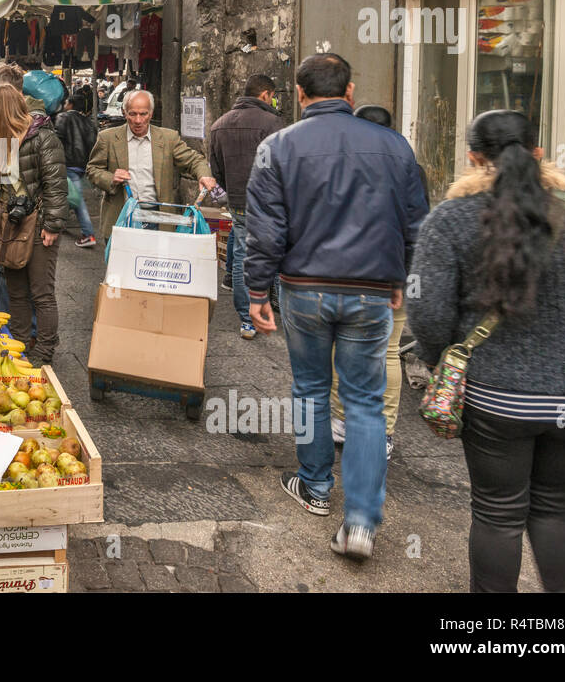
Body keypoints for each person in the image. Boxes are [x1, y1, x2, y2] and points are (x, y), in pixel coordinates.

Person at [407, 110, 565, 591]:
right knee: (555, 507)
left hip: (498, 397)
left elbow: (429, 315)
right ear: (540, 153)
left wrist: (443, 360)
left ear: (473, 159)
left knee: (499, 514)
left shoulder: (451, 220)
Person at [244, 53, 428, 561]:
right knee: (366, 402)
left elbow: (264, 232)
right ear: (349, 93)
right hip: (372, 291)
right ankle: (362, 523)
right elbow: (416, 223)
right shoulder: (394, 147)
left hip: (304, 289)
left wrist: (257, 293)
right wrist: (401, 278)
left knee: (309, 388)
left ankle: (316, 487)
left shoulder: (277, 147)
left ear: (300, 95)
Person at [329, 103, 431, 459]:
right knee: (387, 353)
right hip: (394, 274)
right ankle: (383, 432)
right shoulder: (412, 169)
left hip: (347, 273)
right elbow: (417, 228)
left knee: (341, 349)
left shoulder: (342, 166)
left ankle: (341, 423)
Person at [0, 83, 67, 365]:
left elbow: (56, 184)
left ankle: (44, 350)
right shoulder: (1, 141)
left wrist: (53, 225)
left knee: (41, 291)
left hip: (39, 222)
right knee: (16, 289)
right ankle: (18, 344)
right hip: (9, 225)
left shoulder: (43, 137)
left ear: (0, 112)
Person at [85, 89, 216, 245]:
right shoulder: (108, 138)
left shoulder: (168, 138)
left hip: (158, 219)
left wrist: (204, 175)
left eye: (144, 114)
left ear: (151, 114)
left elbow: (194, 160)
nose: (138, 120)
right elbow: (92, 170)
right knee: (121, 268)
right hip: (122, 217)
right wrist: (110, 178)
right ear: (124, 112)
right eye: (132, 114)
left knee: (154, 268)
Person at [207, 74, 282, 340]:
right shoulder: (272, 123)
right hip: (269, 203)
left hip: (238, 201)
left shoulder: (219, 125)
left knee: (240, 257)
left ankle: (246, 319)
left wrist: (229, 193)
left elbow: (215, 169)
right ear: (265, 95)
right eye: (272, 96)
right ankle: (276, 308)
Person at [56, 87, 100, 247]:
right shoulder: (88, 122)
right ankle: (63, 223)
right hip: (82, 165)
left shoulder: (63, 117)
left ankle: (88, 234)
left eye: (67, 102)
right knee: (69, 194)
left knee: (77, 199)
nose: (64, 104)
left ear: (71, 104)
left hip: (68, 163)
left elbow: (57, 139)